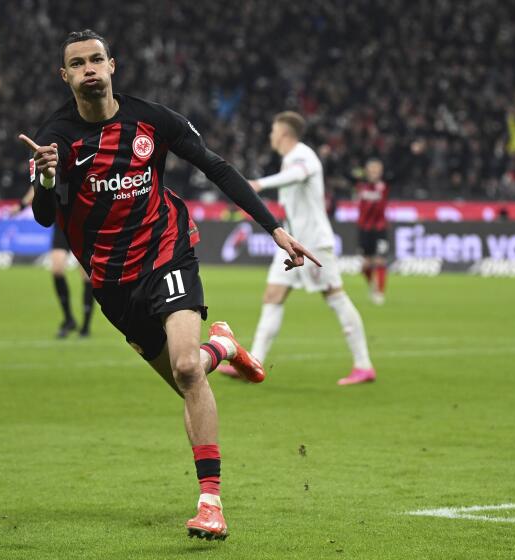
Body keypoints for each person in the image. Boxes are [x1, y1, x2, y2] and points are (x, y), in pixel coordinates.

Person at [22, 30, 319, 540]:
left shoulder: (152, 120)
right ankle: (221, 346)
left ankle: (211, 504)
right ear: (65, 75)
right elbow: (46, 217)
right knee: (188, 379)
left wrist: (274, 228)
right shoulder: (57, 140)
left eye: (97, 59)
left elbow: (216, 168)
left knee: (185, 367)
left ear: (112, 65)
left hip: (166, 253)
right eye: (78, 63)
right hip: (111, 284)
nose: (90, 69)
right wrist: (47, 179)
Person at [218, 111, 376, 386]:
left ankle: (363, 365)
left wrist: (258, 184)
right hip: (292, 241)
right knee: (273, 295)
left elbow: (296, 175)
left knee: (335, 295)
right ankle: (253, 361)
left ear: (284, 133)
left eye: (273, 131)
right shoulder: (291, 158)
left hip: (313, 242)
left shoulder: (303, 156)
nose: (271, 136)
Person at [18, 185, 95, 338]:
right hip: (62, 221)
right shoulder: (55, 162)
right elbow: (38, 184)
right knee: (57, 269)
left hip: (85, 219)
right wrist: (22, 205)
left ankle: (86, 325)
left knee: (87, 275)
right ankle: (68, 319)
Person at [355, 158, 389, 305]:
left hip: (380, 229)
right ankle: (373, 286)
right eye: (372, 169)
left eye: (377, 170)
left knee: (380, 260)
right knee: (366, 265)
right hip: (364, 229)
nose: (374, 172)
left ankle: (379, 294)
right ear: (367, 171)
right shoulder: (361, 186)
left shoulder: (384, 186)